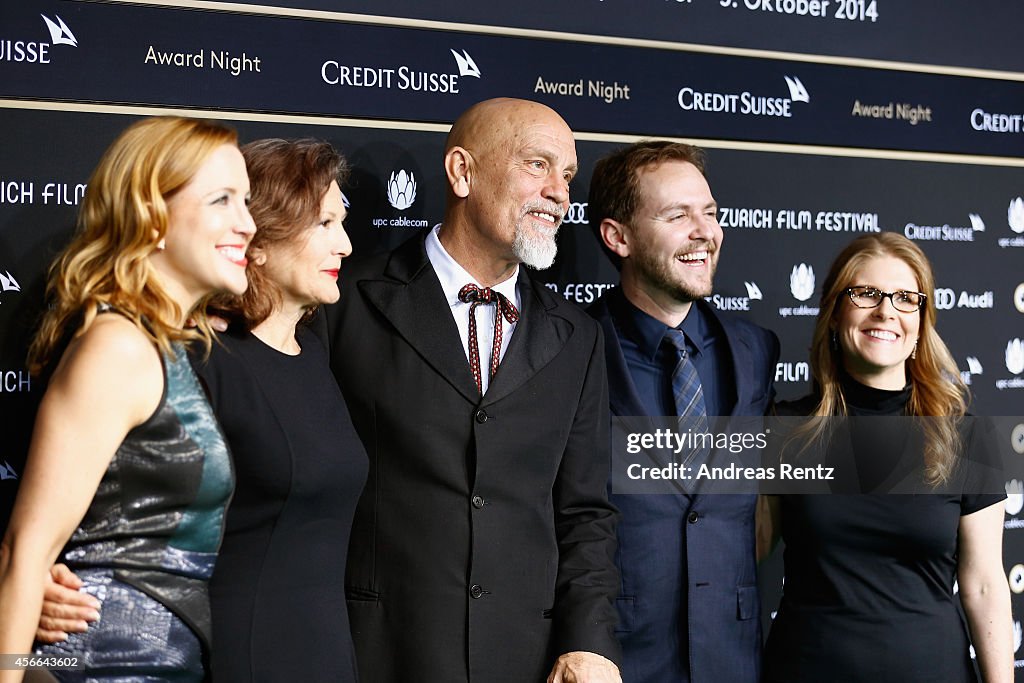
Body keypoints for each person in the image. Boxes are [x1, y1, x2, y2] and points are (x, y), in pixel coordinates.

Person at [32, 139, 369, 682]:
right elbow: (97, 521)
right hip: (227, 654)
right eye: (325, 224)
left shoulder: (317, 353)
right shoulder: (193, 361)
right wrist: (37, 585)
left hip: (324, 650)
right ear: (259, 240)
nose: (347, 245)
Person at [325, 97, 622, 682]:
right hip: (375, 652)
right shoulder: (347, 301)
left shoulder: (578, 337)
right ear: (462, 172)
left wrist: (589, 642)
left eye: (566, 175)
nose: (559, 192)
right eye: (537, 165)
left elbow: (585, 511)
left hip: (524, 659)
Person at [0, 116, 255, 681]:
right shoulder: (118, 348)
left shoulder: (161, 346)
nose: (247, 223)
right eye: (222, 200)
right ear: (152, 215)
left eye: (246, 200)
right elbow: (23, 556)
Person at [762, 232, 1012, 682]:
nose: (886, 311)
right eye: (867, 294)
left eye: (904, 298)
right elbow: (742, 553)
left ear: (921, 322)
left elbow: (985, 586)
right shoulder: (785, 429)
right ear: (835, 313)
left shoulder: (965, 436)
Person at [586, 140, 779, 682]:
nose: (705, 232)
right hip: (620, 660)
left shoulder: (755, 351)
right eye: (678, 215)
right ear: (617, 237)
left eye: (710, 214)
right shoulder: (571, 350)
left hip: (734, 659)